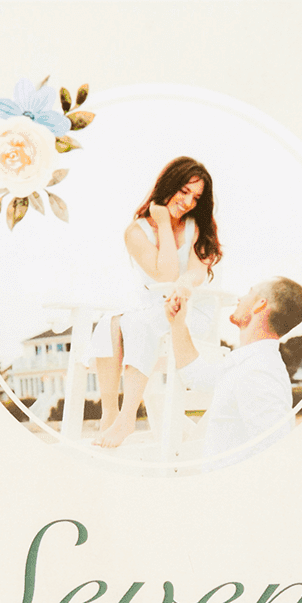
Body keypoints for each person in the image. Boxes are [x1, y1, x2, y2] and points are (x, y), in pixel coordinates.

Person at [94, 156, 220, 450]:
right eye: (184, 191)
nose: (188, 202)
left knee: (138, 323)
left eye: (196, 197)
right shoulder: (136, 231)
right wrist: (163, 223)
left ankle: (127, 418)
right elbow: (163, 274)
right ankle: (110, 413)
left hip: (188, 310)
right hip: (152, 308)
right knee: (109, 323)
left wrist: (185, 285)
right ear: (169, 185)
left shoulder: (194, 226)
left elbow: (189, 272)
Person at [162, 277, 302, 466]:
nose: (240, 298)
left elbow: (274, 450)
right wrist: (177, 323)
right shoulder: (247, 363)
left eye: (249, 292)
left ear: (260, 304)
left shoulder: (258, 372)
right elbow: (197, 376)